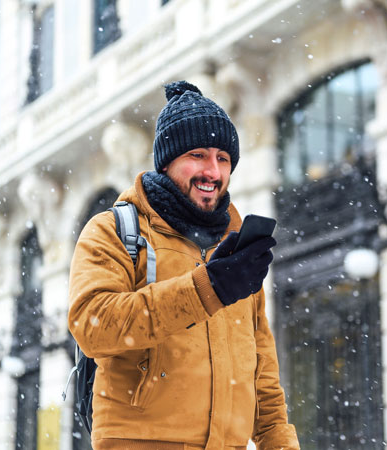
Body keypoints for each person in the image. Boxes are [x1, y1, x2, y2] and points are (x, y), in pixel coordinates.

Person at [68, 81, 299, 450]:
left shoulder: (236, 249)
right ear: (167, 161)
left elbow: (264, 383)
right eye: (198, 155)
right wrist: (206, 289)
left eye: (223, 159)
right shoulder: (114, 230)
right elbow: (92, 325)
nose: (213, 170)